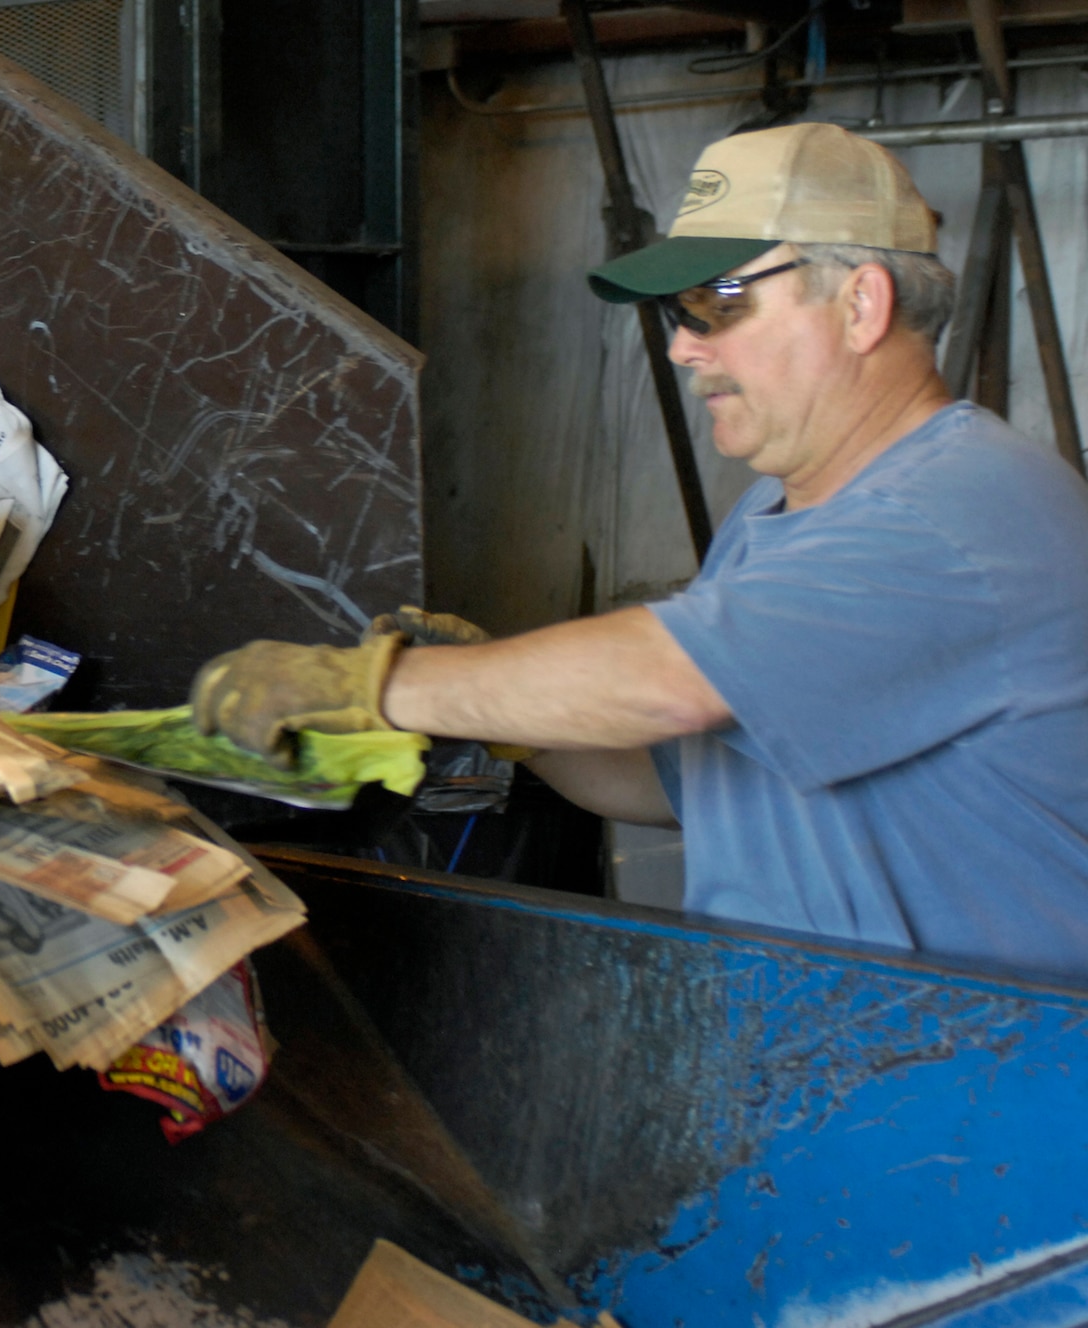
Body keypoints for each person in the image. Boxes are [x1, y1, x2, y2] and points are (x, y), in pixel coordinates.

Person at [189, 122, 1088, 979]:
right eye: (675, 311)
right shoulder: (773, 513)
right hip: (821, 1058)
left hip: (993, 1082)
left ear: (860, 303)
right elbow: (677, 781)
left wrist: (370, 687)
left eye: (717, 302)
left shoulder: (955, 513)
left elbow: (665, 683)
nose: (686, 346)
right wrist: (503, 724)